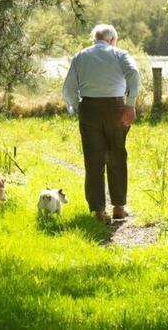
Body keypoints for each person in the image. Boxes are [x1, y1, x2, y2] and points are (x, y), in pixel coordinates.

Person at [63, 24, 140, 224]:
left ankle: (98, 210)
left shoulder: (81, 56)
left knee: (93, 160)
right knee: (117, 155)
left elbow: (69, 86)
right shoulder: (120, 54)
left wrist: (77, 108)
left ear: (94, 39)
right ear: (112, 39)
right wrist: (130, 104)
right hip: (117, 108)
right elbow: (134, 74)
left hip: (89, 108)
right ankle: (119, 207)